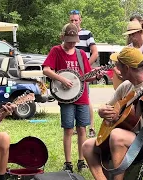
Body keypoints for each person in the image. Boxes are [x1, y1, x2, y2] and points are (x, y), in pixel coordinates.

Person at [82, 47, 143, 180]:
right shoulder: (126, 86)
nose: (116, 70)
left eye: (118, 65)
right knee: (88, 146)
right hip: (131, 137)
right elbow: (109, 106)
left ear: (126, 68)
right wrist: (102, 110)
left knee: (117, 135)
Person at [43, 23, 102, 173]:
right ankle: (68, 162)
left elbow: (86, 77)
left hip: (81, 96)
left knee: (82, 128)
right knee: (68, 129)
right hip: (65, 98)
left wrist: (97, 76)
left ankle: (81, 161)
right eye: (69, 40)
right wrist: (61, 79)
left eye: (74, 41)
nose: (71, 43)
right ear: (62, 37)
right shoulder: (56, 51)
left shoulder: (81, 54)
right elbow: (46, 70)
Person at [70, 9, 99, 138]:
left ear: (80, 20)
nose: (74, 22)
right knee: (73, 98)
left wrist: (85, 68)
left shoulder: (87, 34)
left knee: (86, 99)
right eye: (72, 20)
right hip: (71, 74)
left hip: (83, 73)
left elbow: (95, 52)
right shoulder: (68, 34)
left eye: (76, 20)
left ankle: (91, 127)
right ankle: (78, 126)